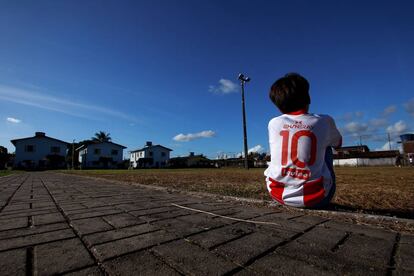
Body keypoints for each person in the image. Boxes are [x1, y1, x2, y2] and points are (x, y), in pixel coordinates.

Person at [264, 73, 342, 208]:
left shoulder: (273, 123)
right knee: (327, 146)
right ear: (308, 98)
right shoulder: (324, 120)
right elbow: (339, 144)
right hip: (317, 198)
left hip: (277, 193)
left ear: (278, 105)